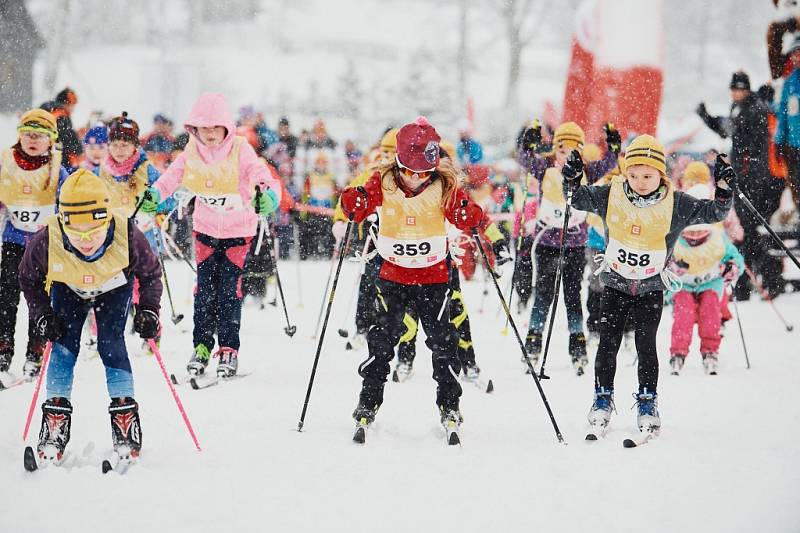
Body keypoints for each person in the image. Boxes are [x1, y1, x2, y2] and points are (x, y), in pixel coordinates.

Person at [563, 134, 734, 435]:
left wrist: (723, 189)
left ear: (661, 175)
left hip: (650, 288)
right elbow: (575, 197)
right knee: (607, 344)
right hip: (614, 284)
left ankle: (647, 401)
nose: (640, 181)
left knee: (646, 346)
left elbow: (716, 213)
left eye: (648, 175)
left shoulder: (676, 204)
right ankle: (602, 398)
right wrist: (573, 176)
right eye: (633, 174)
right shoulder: (610, 194)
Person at [339, 117, 483, 440]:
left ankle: (449, 404)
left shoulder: (443, 186)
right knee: (381, 343)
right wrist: (354, 202)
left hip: (433, 277)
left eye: (423, 173)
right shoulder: (383, 181)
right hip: (393, 276)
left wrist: (468, 214)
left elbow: (465, 210)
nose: (416, 179)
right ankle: (368, 402)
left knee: (443, 344)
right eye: (409, 171)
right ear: (399, 163)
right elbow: (355, 201)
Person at [18, 169, 163, 464]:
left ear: (107, 217)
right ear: (63, 221)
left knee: (111, 344)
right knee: (63, 347)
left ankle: (125, 421)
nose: (86, 241)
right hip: (69, 288)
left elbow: (151, 274)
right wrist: (43, 316)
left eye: (94, 232)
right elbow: (28, 279)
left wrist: (148, 309)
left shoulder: (127, 232)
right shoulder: (48, 238)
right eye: (77, 233)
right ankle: (54, 423)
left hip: (113, 287)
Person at [141, 92, 281, 378]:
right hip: (205, 229)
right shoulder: (191, 151)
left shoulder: (240, 148)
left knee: (229, 291)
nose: (210, 134)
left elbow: (261, 174)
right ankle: (202, 345)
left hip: (238, 231)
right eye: (203, 128)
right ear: (194, 129)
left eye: (215, 128)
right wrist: (155, 194)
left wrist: (270, 196)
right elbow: (171, 177)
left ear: (226, 127)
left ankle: (229, 349)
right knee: (204, 292)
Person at [516, 121, 620, 375]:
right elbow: (525, 160)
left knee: (573, 296)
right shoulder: (546, 168)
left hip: (574, 245)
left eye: (574, 151)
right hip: (548, 244)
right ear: (555, 150)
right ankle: (534, 341)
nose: (567, 157)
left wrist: (614, 147)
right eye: (562, 151)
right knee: (544, 293)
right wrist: (527, 144)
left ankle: (577, 345)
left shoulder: (586, 171)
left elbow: (609, 164)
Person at [697, 71, 785, 299]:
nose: (737, 93)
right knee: (749, 233)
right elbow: (728, 129)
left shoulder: (753, 110)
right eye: (734, 89)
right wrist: (706, 117)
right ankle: (751, 282)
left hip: (756, 182)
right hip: (745, 179)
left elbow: (757, 151)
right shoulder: (740, 107)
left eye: (740, 89)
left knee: (752, 232)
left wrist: (748, 180)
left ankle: (766, 281)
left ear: (747, 89)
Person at [0, 109, 69, 381]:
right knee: (6, 296)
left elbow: (69, 200)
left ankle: (35, 350)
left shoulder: (56, 167)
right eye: (27, 134)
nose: (32, 140)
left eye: (39, 136)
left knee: (38, 298)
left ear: (50, 140)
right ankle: (3, 348)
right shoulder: (6, 161)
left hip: (43, 246)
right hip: (14, 241)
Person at [668, 184, 744, 376]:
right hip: (683, 284)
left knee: (710, 311)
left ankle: (710, 351)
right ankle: (678, 352)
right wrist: (672, 268)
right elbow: (662, 259)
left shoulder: (718, 238)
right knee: (683, 314)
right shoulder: (675, 238)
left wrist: (732, 267)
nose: (694, 237)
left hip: (710, 282)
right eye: (690, 232)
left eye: (699, 232)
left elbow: (736, 258)